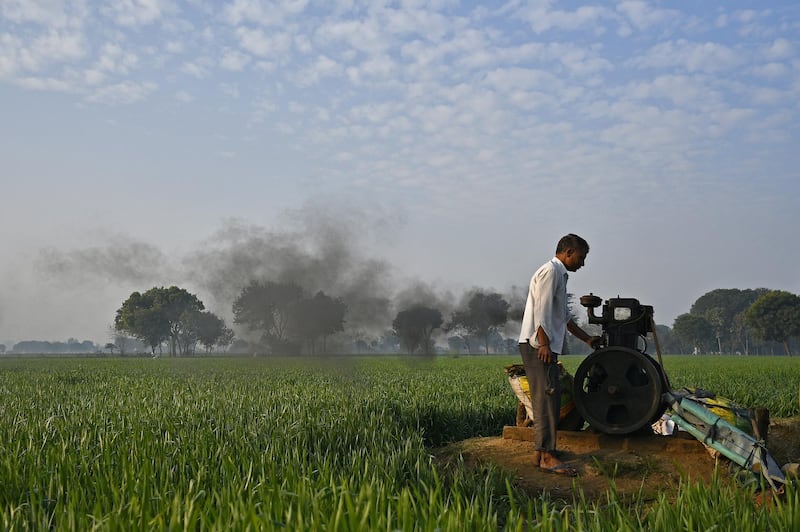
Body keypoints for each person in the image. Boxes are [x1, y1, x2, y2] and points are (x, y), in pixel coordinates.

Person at [518, 233, 601, 476]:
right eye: (581, 257)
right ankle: (546, 456)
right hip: (538, 346)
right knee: (546, 401)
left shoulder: (560, 275)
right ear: (568, 252)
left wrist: (586, 338)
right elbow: (542, 311)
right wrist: (543, 345)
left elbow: (563, 317)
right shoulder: (551, 272)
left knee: (549, 400)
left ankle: (540, 452)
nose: (582, 263)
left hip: (544, 345)